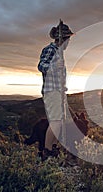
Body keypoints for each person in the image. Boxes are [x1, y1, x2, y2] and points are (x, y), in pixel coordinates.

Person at [38, 21, 73, 160]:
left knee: (59, 121)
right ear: (64, 39)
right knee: (56, 121)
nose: (69, 43)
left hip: (58, 91)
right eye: (68, 39)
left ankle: (51, 148)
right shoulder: (50, 50)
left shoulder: (58, 52)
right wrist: (53, 66)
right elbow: (41, 66)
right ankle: (46, 151)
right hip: (51, 91)